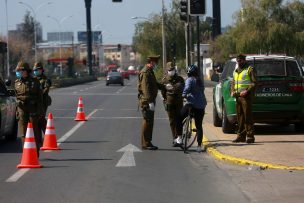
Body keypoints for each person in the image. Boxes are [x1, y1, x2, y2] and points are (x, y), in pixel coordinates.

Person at [14, 61, 44, 156]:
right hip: (21, 108)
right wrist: (17, 111)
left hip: (33, 109)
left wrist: (40, 111)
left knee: (34, 131)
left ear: (26, 71)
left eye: (20, 70)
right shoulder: (17, 83)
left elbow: (40, 98)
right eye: (18, 70)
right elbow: (16, 96)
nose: (19, 72)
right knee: (23, 133)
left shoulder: (35, 82)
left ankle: (35, 153)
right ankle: (26, 154)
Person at [176, 65, 207, 152]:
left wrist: (183, 95)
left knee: (179, 117)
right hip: (201, 106)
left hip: (191, 104)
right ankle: (199, 146)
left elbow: (186, 89)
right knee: (199, 126)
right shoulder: (200, 81)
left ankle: (179, 138)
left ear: (188, 73)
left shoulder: (189, 80)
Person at [230, 54, 257, 143]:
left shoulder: (249, 69)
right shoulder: (236, 71)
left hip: (246, 96)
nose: (239, 62)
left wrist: (246, 91)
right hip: (238, 96)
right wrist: (232, 90)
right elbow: (233, 82)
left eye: (240, 60)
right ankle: (240, 136)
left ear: (244, 60)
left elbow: (254, 83)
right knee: (240, 117)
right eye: (238, 61)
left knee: (247, 116)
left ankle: (250, 137)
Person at [138, 55, 160, 150]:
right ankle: (146, 143)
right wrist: (150, 102)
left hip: (149, 100)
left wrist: (165, 87)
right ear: (151, 62)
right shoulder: (145, 72)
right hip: (147, 101)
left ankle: (147, 142)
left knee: (149, 121)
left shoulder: (150, 71)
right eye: (155, 63)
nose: (156, 65)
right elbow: (145, 88)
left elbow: (154, 84)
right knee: (147, 121)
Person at [161, 62, 185, 147]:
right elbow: (163, 92)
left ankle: (180, 137)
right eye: (170, 70)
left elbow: (183, 89)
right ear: (167, 71)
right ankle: (174, 138)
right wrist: (165, 99)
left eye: (173, 69)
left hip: (179, 102)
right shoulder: (164, 80)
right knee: (172, 121)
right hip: (169, 102)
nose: (172, 71)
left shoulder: (180, 79)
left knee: (179, 120)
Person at [33, 62, 52, 134]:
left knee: (40, 118)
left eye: (37, 70)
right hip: (34, 102)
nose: (36, 71)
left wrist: (37, 95)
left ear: (41, 70)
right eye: (35, 70)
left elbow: (45, 90)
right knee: (36, 119)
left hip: (43, 101)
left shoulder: (45, 80)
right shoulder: (33, 79)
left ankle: (48, 134)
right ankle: (39, 138)